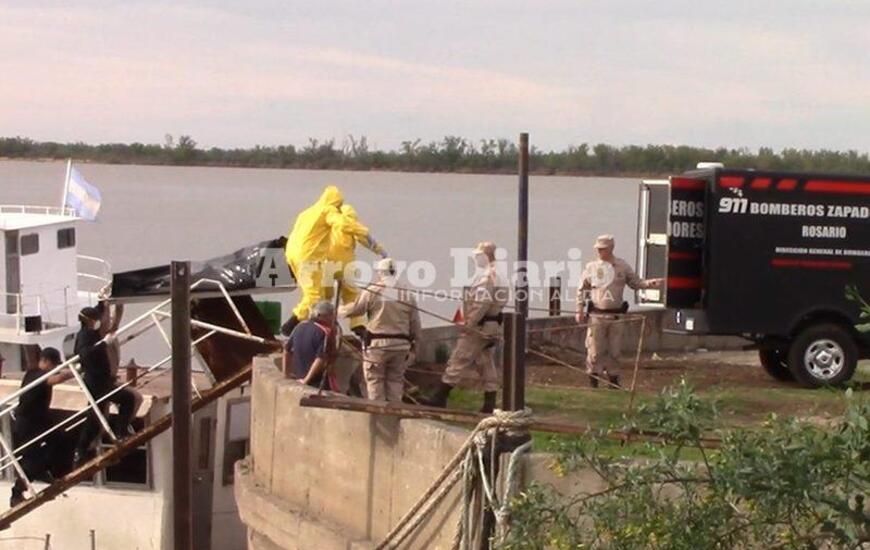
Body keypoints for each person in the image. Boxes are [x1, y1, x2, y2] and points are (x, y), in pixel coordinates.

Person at [423, 242, 508, 413]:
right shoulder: (499, 274)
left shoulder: (486, 278)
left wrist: (468, 324)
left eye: (478, 256)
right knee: (486, 362)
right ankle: (489, 403)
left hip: (479, 326)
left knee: (459, 359)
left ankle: (439, 397)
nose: (475, 259)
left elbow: (480, 304)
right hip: (492, 325)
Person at [576, 235, 662, 388]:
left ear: (611, 248)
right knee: (595, 350)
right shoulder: (592, 267)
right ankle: (593, 380)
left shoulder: (622, 266)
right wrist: (579, 310)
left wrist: (649, 284)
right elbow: (581, 289)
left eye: (602, 249)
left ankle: (613, 381)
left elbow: (635, 283)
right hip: (597, 315)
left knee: (615, 350)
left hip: (617, 316)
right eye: (598, 249)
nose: (599, 251)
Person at [338, 258, 421, 402]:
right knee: (395, 381)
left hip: (378, 345)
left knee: (375, 380)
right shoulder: (408, 293)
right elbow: (415, 324)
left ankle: (379, 416)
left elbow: (356, 310)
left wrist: (338, 309)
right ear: (394, 272)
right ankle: (394, 415)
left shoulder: (373, 290)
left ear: (380, 273)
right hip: (401, 346)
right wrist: (415, 348)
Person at [73, 306, 140, 466]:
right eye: (94, 319)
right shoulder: (84, 335)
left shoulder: (92, 334)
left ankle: (118, 433)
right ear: (89, 321)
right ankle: (83, 450)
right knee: (100, 414)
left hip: (103, 380)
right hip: (95, 381)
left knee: (99, 415)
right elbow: (85, 354)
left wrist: (104, 301)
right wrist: (103, 344)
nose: (98, 321)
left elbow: (105, 317)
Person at [10, 347, 72, 506]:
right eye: (54, 365)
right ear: (45, 361)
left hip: (40, 421)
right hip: (27, 424)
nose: (54, 369)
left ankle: (49, 470)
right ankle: (17, 493)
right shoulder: (36, 374)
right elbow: (54, 380)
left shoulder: (35, 372)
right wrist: (74, 372)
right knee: (32, 459)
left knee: (61, 440)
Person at [327, 204, 388, 334]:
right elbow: (364, 238)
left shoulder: (329, 222)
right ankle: (357, 325)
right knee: (351, 296)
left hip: (327, 264)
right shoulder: (350, 222)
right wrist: (381, 252)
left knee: (325, 295)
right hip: (346, 265)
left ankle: (323, 320)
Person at [283, 300, 340, 389]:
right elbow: (320, 359)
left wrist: (286, 374)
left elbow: (287, 350)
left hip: (299, 377)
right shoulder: (325, 332)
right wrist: (307, 380)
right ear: (323, 316)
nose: (334, 319)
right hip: (318, 383)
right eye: (332, 315)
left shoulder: (299, 327)